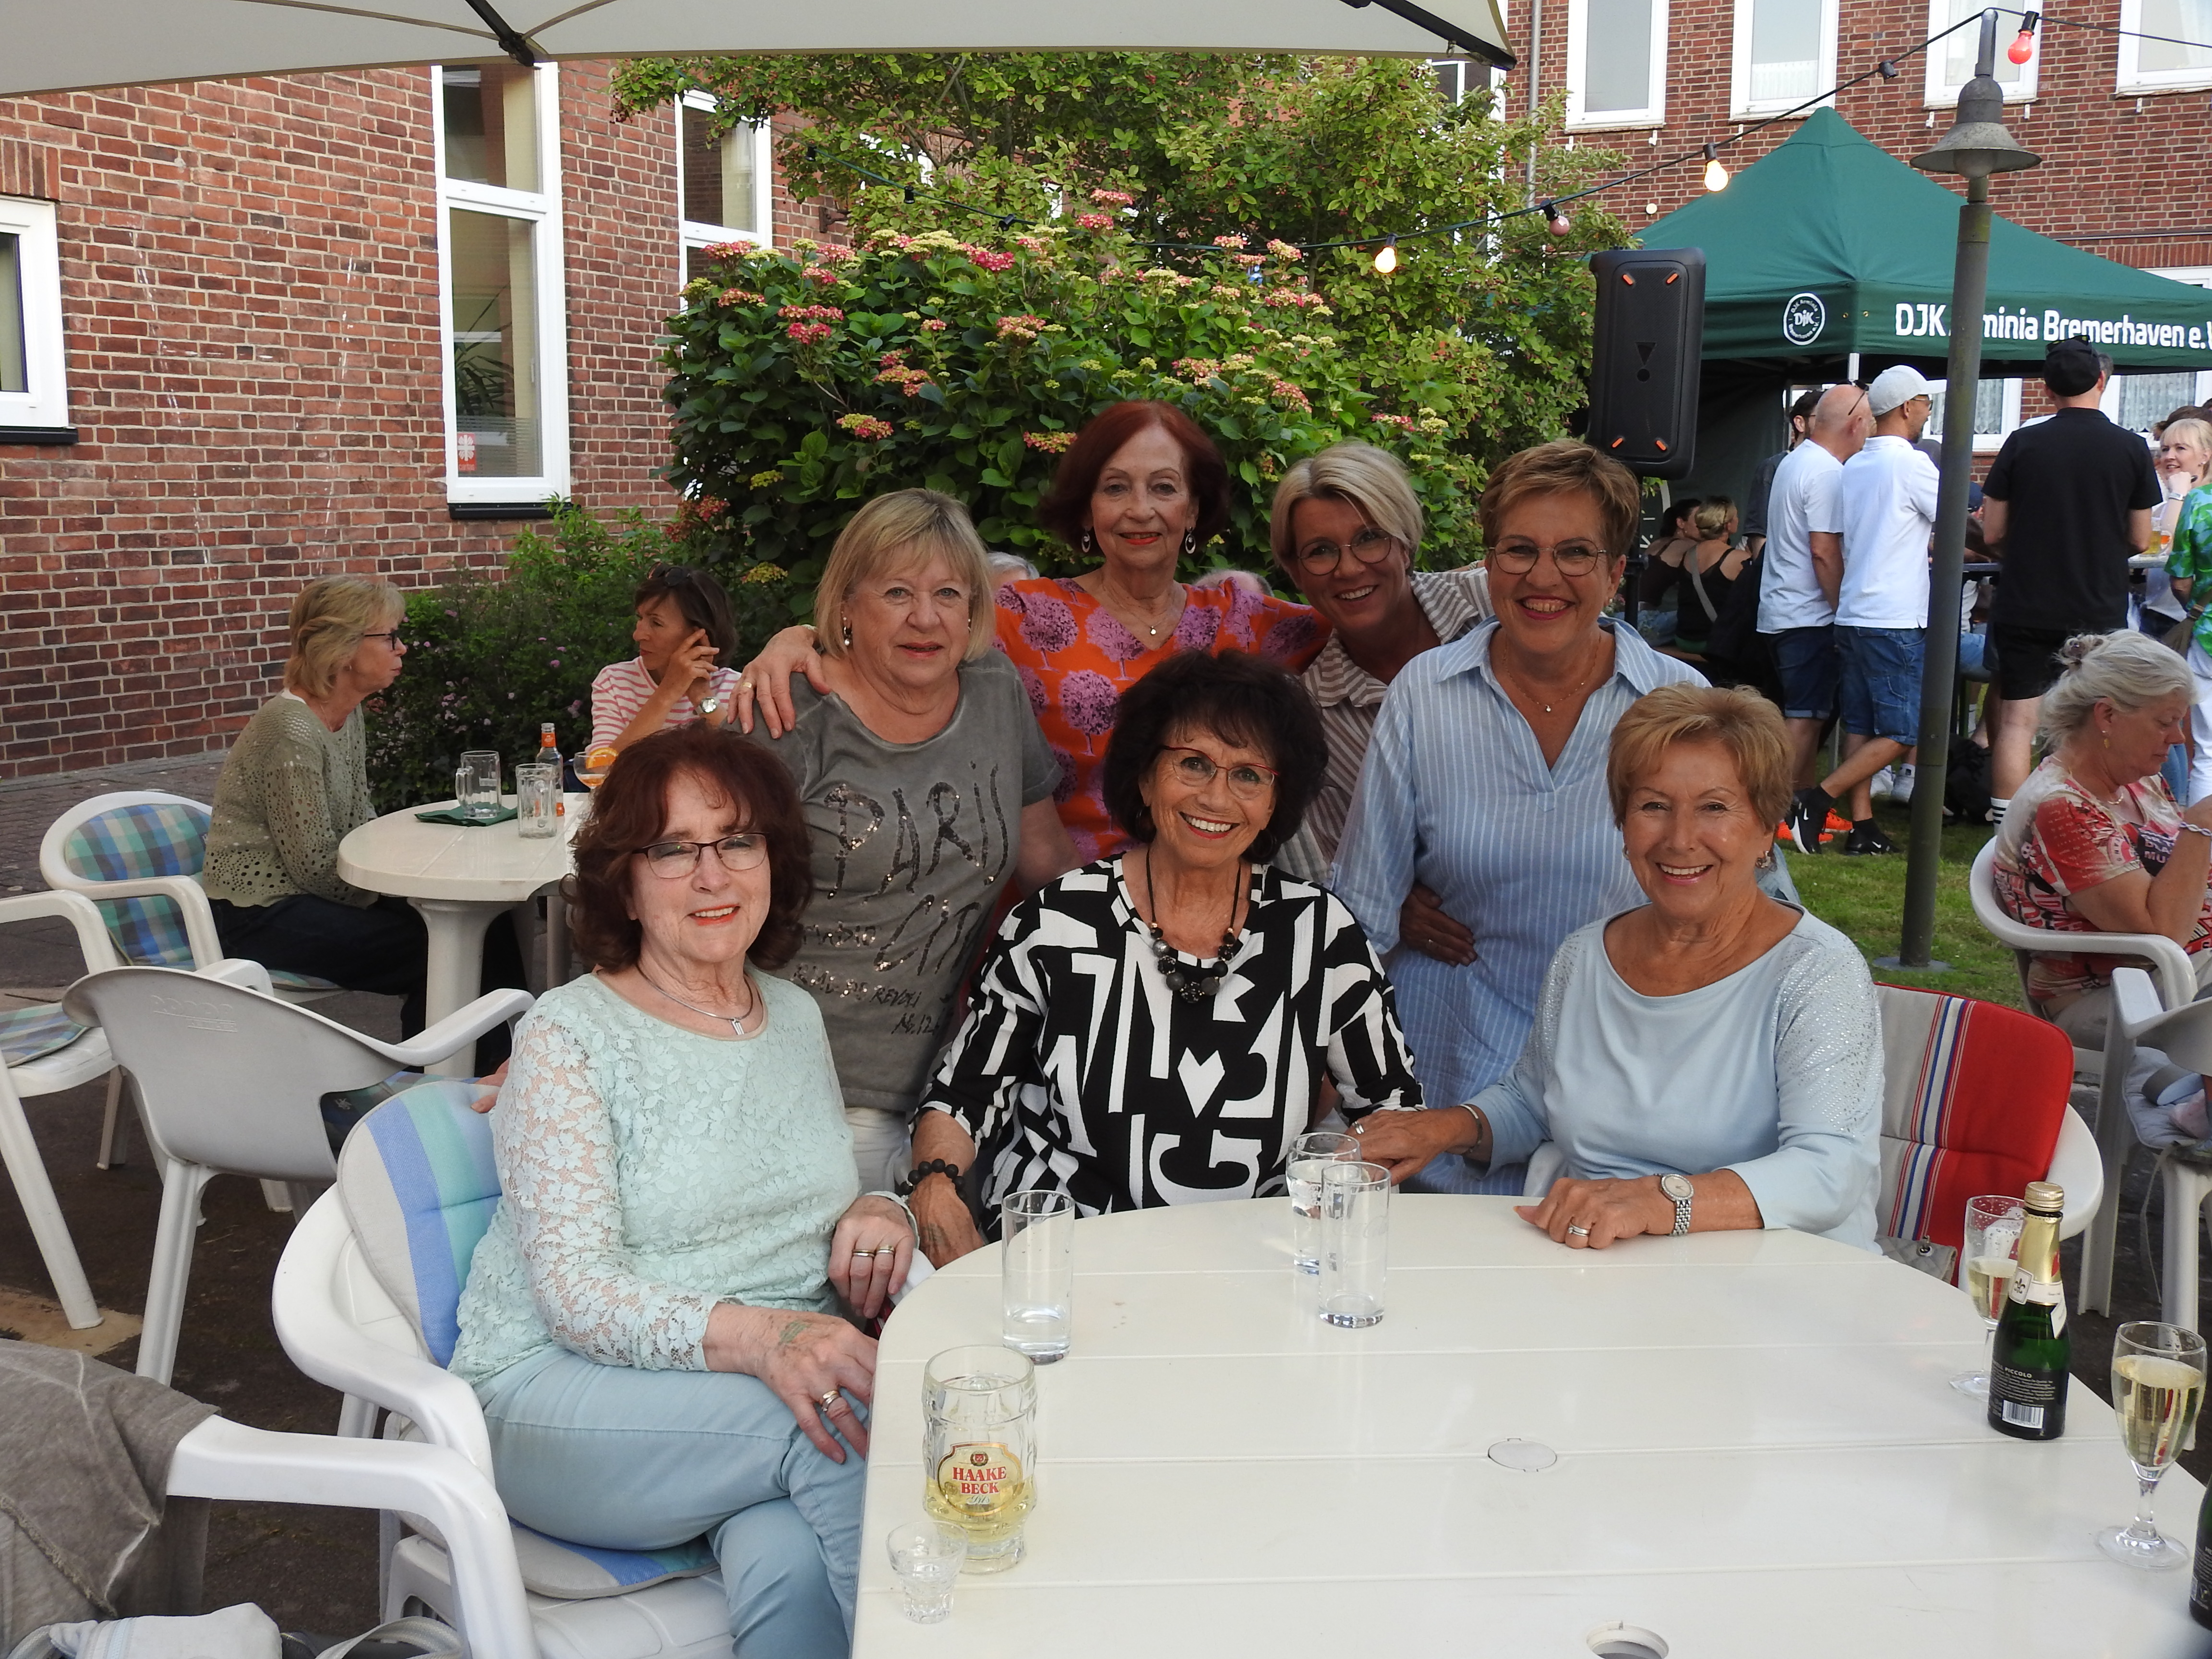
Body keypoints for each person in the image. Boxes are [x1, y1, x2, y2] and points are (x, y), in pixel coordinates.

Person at [448, 725, 914, 1659]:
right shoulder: (570, 1036)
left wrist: (881, 1208)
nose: (712, 875)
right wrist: (768, 1338)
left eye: (737, 841)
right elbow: (576, 1296)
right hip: (557, 1393)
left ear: (773, 861)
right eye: (672, 849)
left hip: (736, 1400)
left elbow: (797, 1200)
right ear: (624, 882)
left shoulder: (792, 1016)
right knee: (851, 1418)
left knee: (790, 1560)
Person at [897, 652, 1423, 1262]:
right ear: (1145, 777)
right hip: (1066, 1262)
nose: (1217, 797)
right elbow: (963, 1095)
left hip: (1256, 1265)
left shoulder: (1318, 932)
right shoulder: (1056, 924)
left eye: (1249, 775)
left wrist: (1336, 1194)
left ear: (1276, 801)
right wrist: (936, 1185)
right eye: (1193, 764)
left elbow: (1392, 1108)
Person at [1350, 685, 1882, 1251]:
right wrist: (1441, 1128)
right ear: (1623, 825)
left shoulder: (1817, 973)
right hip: (1600, 1271)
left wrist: (1657, 1201)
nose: (1680, 839)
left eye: (1714, 807)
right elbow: (1534, 1102)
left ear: (1765, 826)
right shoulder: (1586, 956)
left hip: (1778, 1282)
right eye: (1654, 806)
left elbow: (1830, 1171)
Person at [1331, 440, 1706, 1194]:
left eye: (1575, 553)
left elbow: (1741, 913)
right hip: (1444, 1086)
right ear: (1489, 562)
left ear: (1614, 571)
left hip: (1620, 1101)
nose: (1543, 577)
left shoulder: (1678, 703)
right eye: (1520, 550)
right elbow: (1361, 912)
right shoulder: (1425, 694)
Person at [734, 401, 1327, 864]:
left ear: (1194, 509)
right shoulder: (1021, 615)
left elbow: (1361, 624)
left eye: (1165, 488)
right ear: (1088, 509)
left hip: (1203, 896)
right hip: (1049, 902)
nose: (1140, 509)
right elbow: (910, 631)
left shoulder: (1240, 620)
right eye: (1115, 487)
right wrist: (801, 638)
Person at [741, 490, 1080, 1192]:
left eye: (948, 594)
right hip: (785, 1087)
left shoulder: (994, 692)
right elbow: (677, 881)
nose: (926, 618)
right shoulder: (789, 712)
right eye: (897, 592)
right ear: (846, 605)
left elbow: (1048, 863)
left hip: (942, 1092)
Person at [204, 577, 523, 1058]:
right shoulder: (291, 731)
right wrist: (401, 890)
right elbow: (313, 867)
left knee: (484, 923)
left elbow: (359, 824)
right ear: (344, 648)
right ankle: (434, 1081)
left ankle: (507, 1073)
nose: (402, 648)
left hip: (320, 893)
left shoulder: (344, 713)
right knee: (441, 947)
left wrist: (416, 884)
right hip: (261, 912)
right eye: (390, 636)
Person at [1265, 441, 1491, 878]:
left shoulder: (1492, 604)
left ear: (1405, 544)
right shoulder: (1311, 721)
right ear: (1295, 572)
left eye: (1370, 538)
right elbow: (1348, 872)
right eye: (1320, 550)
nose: (1349, 569)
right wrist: (1403, 899)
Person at [1991, 631, 2212, 1052]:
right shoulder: (2063, 807)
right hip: (2120, 995)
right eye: (2165, 722)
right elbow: (2163, 933)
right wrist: (2200, 825)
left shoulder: (2137, 782)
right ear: (2107, 715)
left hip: (2179, 976)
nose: (2179, 738)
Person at [1982, 338, 2161, 824]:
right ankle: (2077, 821)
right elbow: (2140, 537)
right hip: (2097, 604)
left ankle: (2008, 829)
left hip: (2026, 600)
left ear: (2047, 389)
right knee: (2093, 722)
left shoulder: (2022, 442)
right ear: (2101, 380)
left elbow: (1992, 531)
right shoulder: (2130, 447)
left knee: (2018, 721)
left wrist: (2026, 553)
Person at [1782, 364, 1940, 858]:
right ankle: (1816, 800)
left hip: (1853, 611)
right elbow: (1953, 517)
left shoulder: (1854, 465)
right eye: (1927, 404)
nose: (1928, 413)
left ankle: (1864, 826)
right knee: (1903, 730)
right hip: (1894, 616)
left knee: (1861, 724)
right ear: (1908, 407)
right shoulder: (1911, 464)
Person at [1759, 384, 1874, 788]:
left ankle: (1800, 807)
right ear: (1855, 424)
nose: (1871, 432)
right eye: (1870, 423)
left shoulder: (1796, 461)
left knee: (1807, 716)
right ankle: (1776, 809)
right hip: (1808, 615)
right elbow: (1823, 551)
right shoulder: (1826, 473)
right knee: (1805, 719)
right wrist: (1843, 611)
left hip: (1783, 610)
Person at [589, 563, 743, 753]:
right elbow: (601, 768)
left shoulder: (735, 688)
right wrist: (668, 691)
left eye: (656, 623)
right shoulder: (615, 682)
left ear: (698, 635)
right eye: (640, 618)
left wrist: (702, 697)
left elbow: (748, 767)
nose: (638, 635)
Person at [2154, 420, 2212, 804]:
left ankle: (2202, 838)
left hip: (2207, 632)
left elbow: (2179, 577)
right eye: (2166, 448)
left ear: (2206, 455)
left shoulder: (2197, 502)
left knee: (2207, 751)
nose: (2170, 456)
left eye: (2181, 448)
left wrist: (2193, 610)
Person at [1739, 387, 1822, 562]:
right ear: (1800, 423)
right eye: (1822, 417)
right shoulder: (1773, 467)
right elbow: (1759, 531)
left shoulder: (1840, 466)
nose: (1830, 424)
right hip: (1785, 572)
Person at [1660, 497, 1750, 659]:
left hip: (1684, 638)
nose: (1738, 520)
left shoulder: (1688, 554)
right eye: (1736, 516)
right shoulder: (1739, 559)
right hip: (1714, 642)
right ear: (1728, 526)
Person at [1634, 497, 1701, 647]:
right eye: (1699, 519)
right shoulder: (1689, 546)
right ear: (1681, 523)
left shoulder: (1658, 543)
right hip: (1645, 623)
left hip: (1626, 615)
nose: (1704, 524)